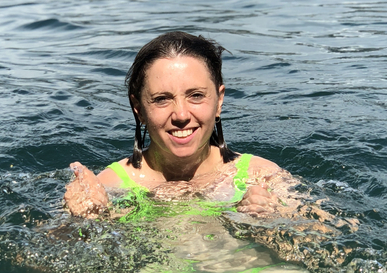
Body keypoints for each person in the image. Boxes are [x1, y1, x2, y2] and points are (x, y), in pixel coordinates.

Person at [64, 30, 297, 219]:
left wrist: (275, 220)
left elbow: (323, 240)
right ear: (139, 109)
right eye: (162, 99)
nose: (181, 114)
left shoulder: (261, 177)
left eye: (196, 95)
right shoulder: (110, 185)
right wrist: (84, 221)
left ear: (219, 101)